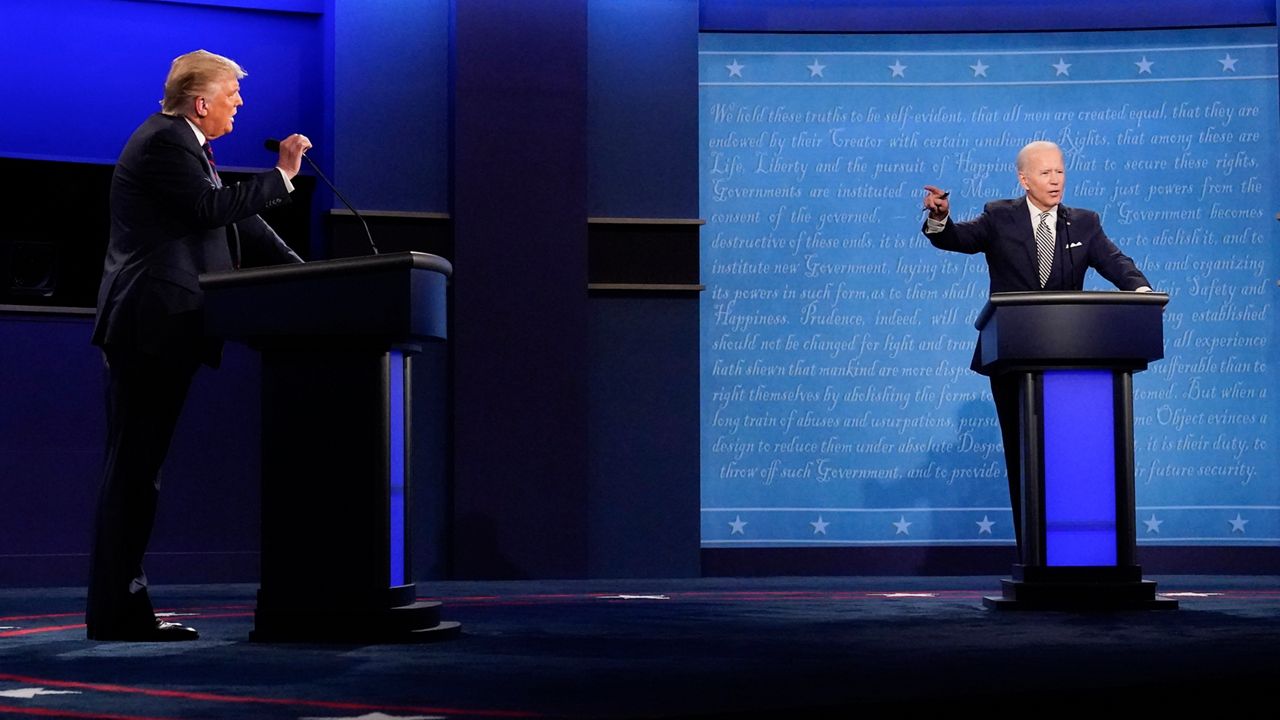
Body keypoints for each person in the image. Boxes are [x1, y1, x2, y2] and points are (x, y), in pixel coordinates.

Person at [87, 50, 310, 641]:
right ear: (201, 102)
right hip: (148, 326)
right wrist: (283, 175)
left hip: (160, 328)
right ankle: (118, 612)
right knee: (134, 472)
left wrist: (307, 272)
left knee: (139, 471)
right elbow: (212, 208)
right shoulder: (165, 141)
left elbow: (233, 222)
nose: (241, 102)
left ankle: (121, 609)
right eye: (233, 93)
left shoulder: (188, 146)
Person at [921, 140, 1152, 558]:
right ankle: (1034, 552)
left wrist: (1142, 291)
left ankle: (1081, 553)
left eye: (1060, 171)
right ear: (1024, 180)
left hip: (1074, 362)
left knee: (1072, 459)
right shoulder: (999, 216)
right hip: (1012, 358)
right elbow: (959, 238)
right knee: (1024, 455)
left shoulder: (1083, 223)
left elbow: (1116, 263)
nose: (1055, 180)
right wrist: (941, 219)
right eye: (1045, 173)